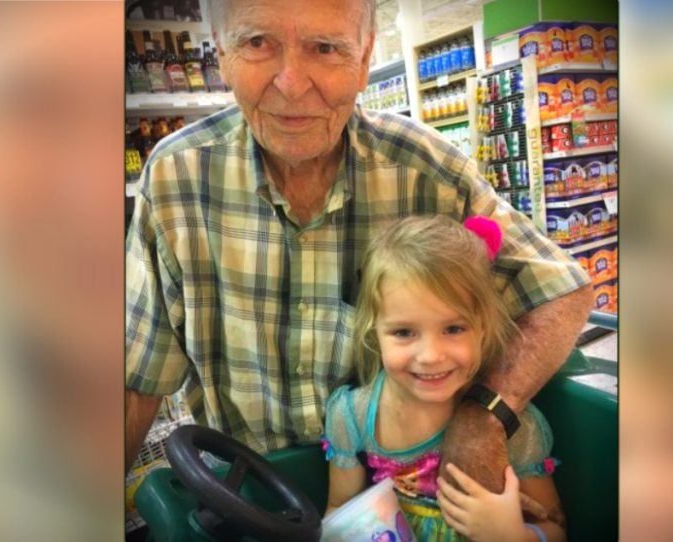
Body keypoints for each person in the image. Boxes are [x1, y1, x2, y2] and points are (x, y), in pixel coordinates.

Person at [125, 0, 593, 496]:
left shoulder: (430, 171)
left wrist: (487, 413)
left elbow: (561, 291)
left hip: (406, 501)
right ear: (220, 54)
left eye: (325, 48)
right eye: (257, 43)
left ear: (365, 58)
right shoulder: (177, 177)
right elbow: (138, 377)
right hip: (247, 496)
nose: (291, 82)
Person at [322, 215, 566, 542]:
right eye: (404, 332)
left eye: (453, 329)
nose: (431, 356)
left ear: (482, 328)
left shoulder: (512, 427)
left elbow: (556, 526)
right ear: (373, 330)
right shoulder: (351, 416)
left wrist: (510, 534)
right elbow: (340, 509)